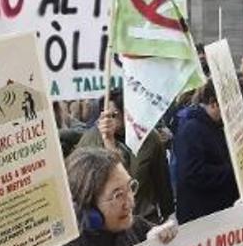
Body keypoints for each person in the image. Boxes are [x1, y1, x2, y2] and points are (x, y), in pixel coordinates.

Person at [46, 148, 178, 246]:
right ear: (88, 207)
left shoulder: (138, 227)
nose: (130, 203)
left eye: (130, 187)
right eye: (118, 195)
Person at [75, 89, 174, 223]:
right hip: (108, 222)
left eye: (114, 115)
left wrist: (168, 214)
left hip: (144, 218)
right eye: (104, 115)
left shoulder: (149, 138)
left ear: (127, 113)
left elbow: (161, 180)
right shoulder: (90, 141)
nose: (108, 120)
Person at [173, 81, 239, 224]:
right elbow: (193, 173)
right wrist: (232, 171)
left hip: (216, 210)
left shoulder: (214, 126)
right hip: (200, 216)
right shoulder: (191, 129)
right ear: (213, 103)